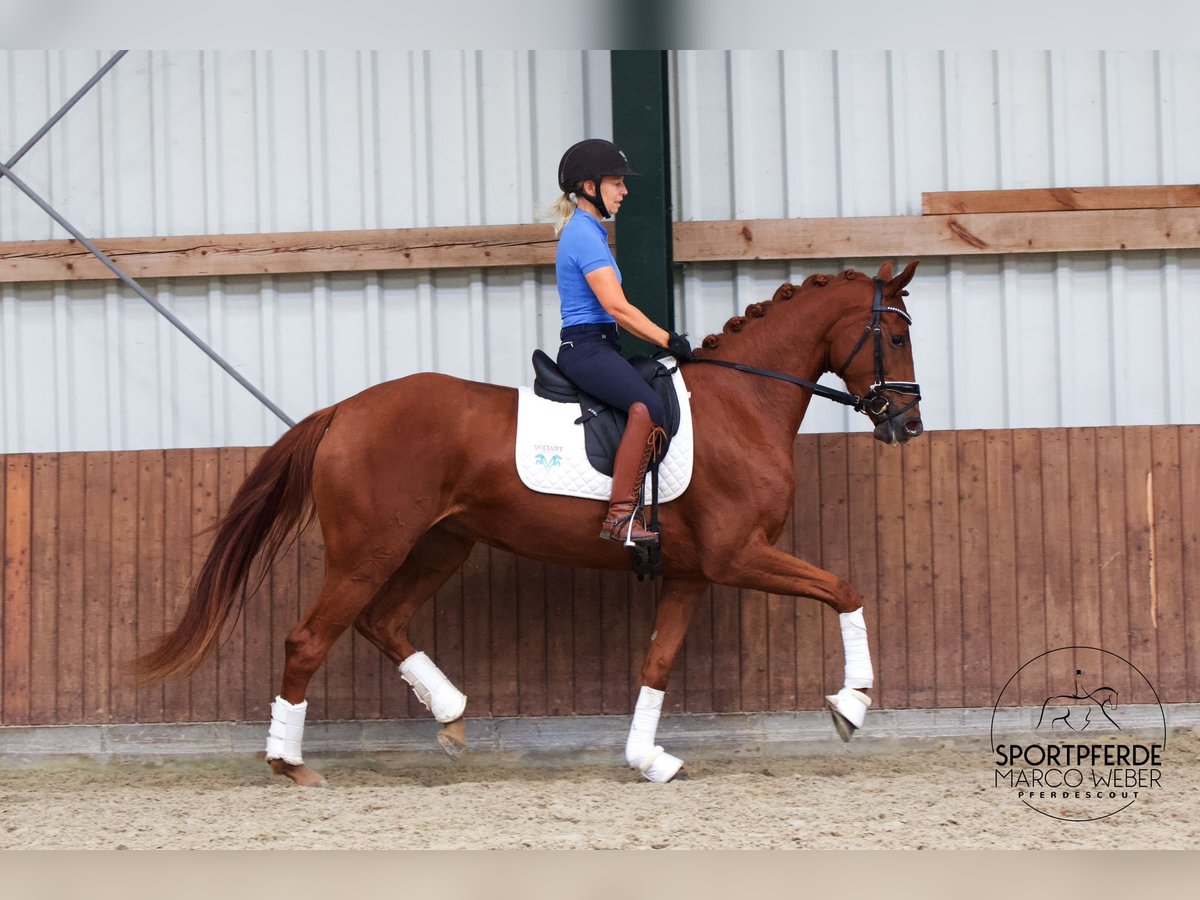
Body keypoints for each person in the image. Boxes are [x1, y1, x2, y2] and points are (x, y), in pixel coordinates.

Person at [550, 138, 693, 546]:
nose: (624, 191)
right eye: (616, 183)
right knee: (645, 407)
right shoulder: (582, 234)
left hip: (601, 345)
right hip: (586, 347)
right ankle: (619, 519)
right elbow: (617, 308)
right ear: (590, 187)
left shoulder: (590, 232)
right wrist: (671, 340)